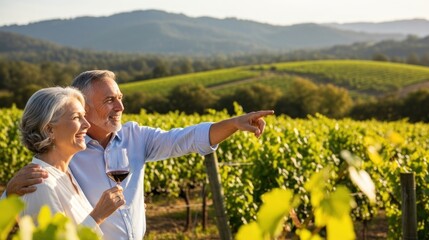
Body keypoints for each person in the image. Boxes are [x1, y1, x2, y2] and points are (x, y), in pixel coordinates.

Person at [3, 70, 274, 240]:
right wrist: (8, 196)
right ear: (83, 108)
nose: (120, 106)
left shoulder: (135, 137)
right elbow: (40, 209)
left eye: (120, 97)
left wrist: (234, 124)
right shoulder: (65, 156)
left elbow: (185, 139)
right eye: (109, 100)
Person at [17, 86, 124, 236]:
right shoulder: (40, 184)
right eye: (76, 117)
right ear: (49, 129)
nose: (87, 124)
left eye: (84, 116)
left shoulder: (64, 175)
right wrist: (98, 215)